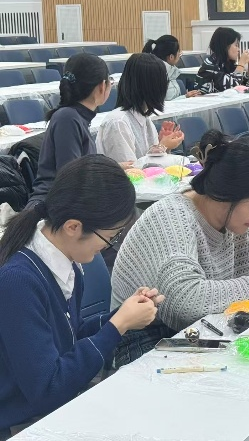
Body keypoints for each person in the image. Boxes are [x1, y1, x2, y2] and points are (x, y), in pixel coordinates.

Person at [0, 155, 164, 436]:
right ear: (73, 227)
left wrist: (124, 314)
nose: (108, 246)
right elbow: (48, 389)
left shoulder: (64, 260)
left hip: (54, 408)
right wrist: (117, 325)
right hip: (25, 424)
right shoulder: (19, 281)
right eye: (110, 237)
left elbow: (67, 337)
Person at [110, 131, 249, 366]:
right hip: (146, 339)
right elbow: (185, 302)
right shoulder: (173, 218)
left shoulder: (232, 218)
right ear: (227, 195)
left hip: (201, 331)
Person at [28, 53, 112, 205]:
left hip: (68, 203)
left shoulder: (75, 116)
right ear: (102, 86)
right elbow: (71, 180)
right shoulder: (68, 118)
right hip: (53, 208)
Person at [96, 53, 184, 163]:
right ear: (152, 86)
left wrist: (162, 145)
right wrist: (161, 147)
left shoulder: (143, 117)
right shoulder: (118, 123)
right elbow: (131, 170)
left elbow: (154, 166)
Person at [194, 27, 249, 94]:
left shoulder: (228, 63)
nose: (239, 49)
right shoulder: (210, 65)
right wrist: (241, 63)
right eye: (236, 45)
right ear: (225, 46)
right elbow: (233, 87)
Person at [142, 34, 200, 100]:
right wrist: (185, 97)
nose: (179, 55)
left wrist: (185, 96)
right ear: (171, 57)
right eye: (178, 53)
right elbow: (163, 102)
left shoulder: (169, 71)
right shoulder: (158, 73)